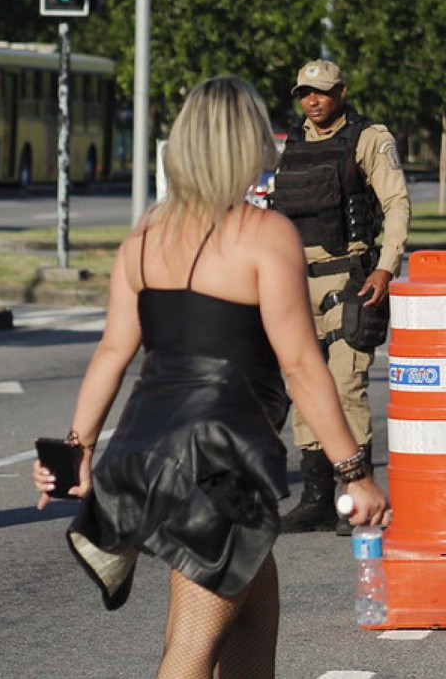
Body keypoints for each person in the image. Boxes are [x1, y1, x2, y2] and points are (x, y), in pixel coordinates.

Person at [33, 75, 390, 679]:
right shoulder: (265, 236)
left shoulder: (143, 237)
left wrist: (79, 450)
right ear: (247, 142)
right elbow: (302, 364)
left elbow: (113, 352)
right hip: (218, 462)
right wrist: (354, 473)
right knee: (191, 653)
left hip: (147, 453)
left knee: (253, 612)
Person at [268, 60, 411, 535]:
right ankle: (315, 498)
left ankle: (356, 492)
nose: (313, 101)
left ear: (342, 92)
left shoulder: (369, 138)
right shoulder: (290, 144)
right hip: (292, 281)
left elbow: (396, 203)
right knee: (304, 387)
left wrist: (387, 266)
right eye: (305, 93)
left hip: (349, 278)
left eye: (323, 93)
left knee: (346, 385)